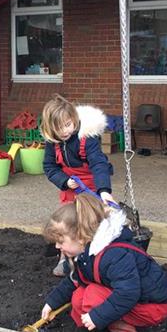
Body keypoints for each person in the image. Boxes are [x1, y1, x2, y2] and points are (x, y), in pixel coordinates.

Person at [40, 194, 167, 332]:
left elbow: (128, 293)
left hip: (153, 306)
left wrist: (97, 316)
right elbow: (74, 280)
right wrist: (52, 303)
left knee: (92, 297)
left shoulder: (114, 255)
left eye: (61, 241)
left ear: (80, 236)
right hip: (135, 299)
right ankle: (106, 325)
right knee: (78, 298)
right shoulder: (87, 251)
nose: (57, 246)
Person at [40, 95, 115, 275]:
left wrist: (104, 190)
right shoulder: (53, 143)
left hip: (90, 186)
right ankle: (65, 257)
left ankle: (93, 258)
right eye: (58, 128)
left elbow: (98, 164)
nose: (65, 131)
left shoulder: (86, 138)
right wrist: (64, 181)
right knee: (66, 222)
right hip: (70, 188)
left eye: (67, 125)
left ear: (73, 120)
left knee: (91, 221)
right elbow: (49, 167)